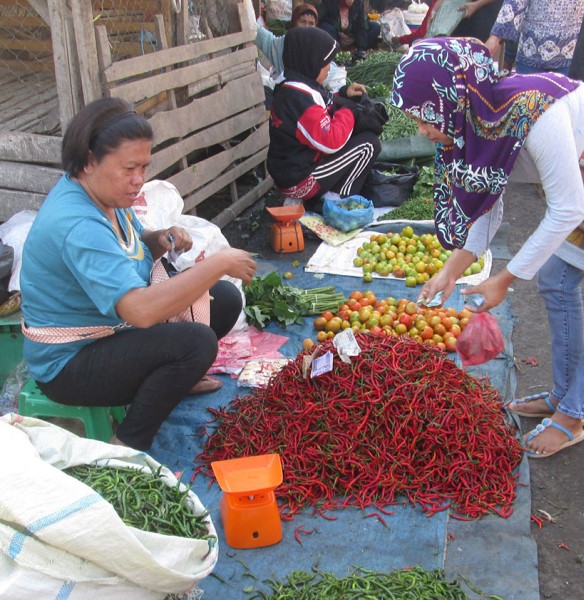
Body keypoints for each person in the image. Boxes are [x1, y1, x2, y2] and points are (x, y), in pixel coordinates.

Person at [390, 38, 584, 457]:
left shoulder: (531, 113)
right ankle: (563, 394)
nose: (421, 129)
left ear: (447, 100)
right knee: (557, 279)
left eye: (423, 117)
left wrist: (504, 280)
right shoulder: (478, 119)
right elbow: (490, 198)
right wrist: (451, 269)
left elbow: (566, 210)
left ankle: (574, 416)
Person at [19, 98, 258, 451]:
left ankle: (172, 379)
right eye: (129, 168)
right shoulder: (77, 223)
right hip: (70, 362)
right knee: (196, 343)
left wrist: (159, 240)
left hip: (112, 331)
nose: (138, 180)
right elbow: (140, 311)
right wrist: (216, 264)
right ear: (89, 161)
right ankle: (128, 443)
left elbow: (131, 247)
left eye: (144, 167)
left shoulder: (105, 196)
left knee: (223, 299)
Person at [266, 26, 381, 205]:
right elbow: (330, 141)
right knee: (368, 145)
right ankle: (335, 202)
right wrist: (350, 111)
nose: (329, 67)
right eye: (325, 62)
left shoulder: (291, 84)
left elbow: (320, 109)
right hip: (300, 181)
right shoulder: (298, 98)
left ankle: (325, 198)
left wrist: (343, 95)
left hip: (291, 172)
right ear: (310, 61)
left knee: (358, 137)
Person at [486, 0, 584, 75]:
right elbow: (516, 2)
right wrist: (495, 37)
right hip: (531, 55)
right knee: (526, 100)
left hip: (571, 54)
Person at [392, 0, 503, 47]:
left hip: (484, 11)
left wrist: (477, 4)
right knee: (454, 48)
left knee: (475, 49)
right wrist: (436, 8)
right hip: (460, 11)